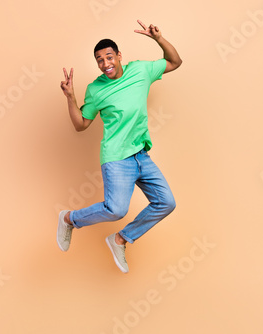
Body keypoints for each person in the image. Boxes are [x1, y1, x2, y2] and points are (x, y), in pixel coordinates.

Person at [58, 20, 182, 273]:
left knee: (166, 202)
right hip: (116, 157)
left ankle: (120, 239)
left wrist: (158, 38)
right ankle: (69, 218)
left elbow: (174, 62)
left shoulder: (141, 71)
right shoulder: (95, 90)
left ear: (119, 56)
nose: (106, 64)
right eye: (100, 60)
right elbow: (81, 125)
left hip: (140, 154)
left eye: (109, 57)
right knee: (116, 209)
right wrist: (70, 98)